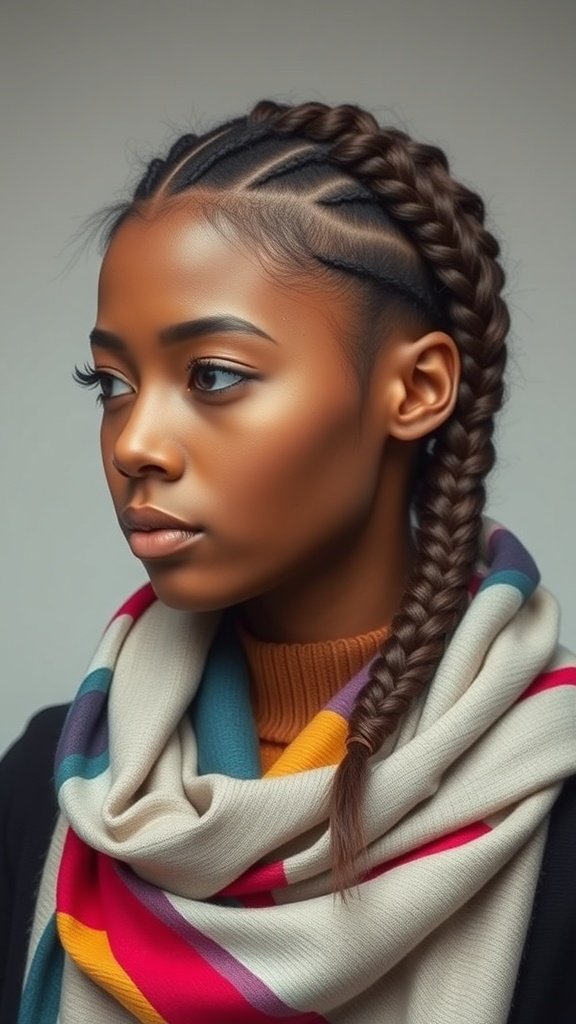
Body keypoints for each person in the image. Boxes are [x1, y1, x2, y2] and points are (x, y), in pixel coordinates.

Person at [1, 100, 575, 1024]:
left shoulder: (559, 806)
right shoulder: (53, 784)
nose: (136, 441)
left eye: (214, 375)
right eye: (112, 384)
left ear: (417, 388)